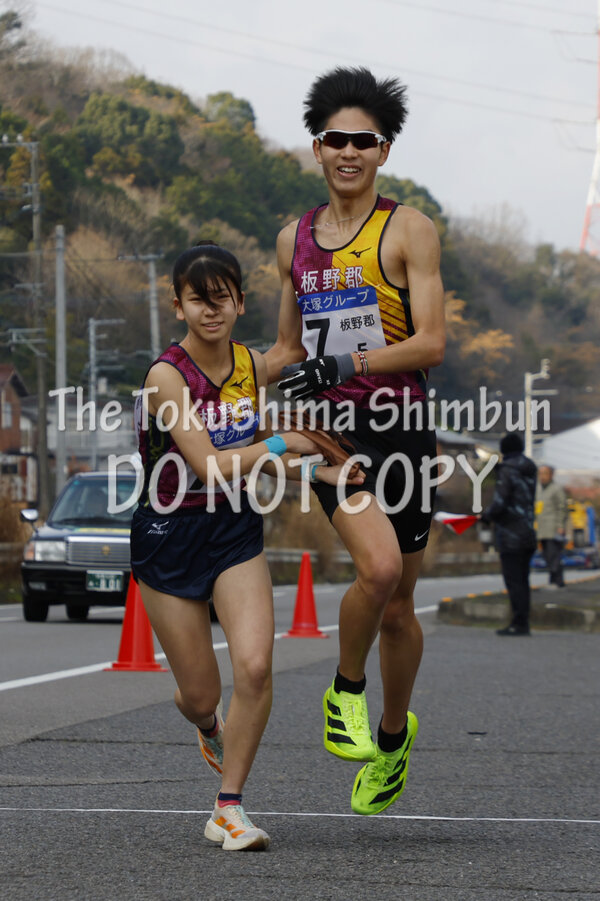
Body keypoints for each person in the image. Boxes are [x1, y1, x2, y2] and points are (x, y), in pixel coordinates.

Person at [130, 242, 363, 851]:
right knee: (201, 694)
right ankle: (206, 721)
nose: (211, 310)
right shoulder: (165, 377)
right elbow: (209, 465)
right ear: (177, 305)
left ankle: (228, 808)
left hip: (233, 530)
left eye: (223, 298)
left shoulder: (249, 365)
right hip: (168, 535)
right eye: (198, 299)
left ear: (239, 302)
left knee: (256, 667)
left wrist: (318, 472)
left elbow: (253, 442)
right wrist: (287, 444)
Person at [264, 67, 445, 816]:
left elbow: (431, 343)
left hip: (403, 430)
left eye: (362, 142)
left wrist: (346, 362)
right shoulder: (293, 241)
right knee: (377, 569)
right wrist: (206, 372)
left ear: (383, 151)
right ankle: (345, 692)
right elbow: (285, 351)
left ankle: (394, 737)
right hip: (330, 433)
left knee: (399, 607)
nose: (348, 152)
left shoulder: (409, 229)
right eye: (335, 139)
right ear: (316, 148)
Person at [480, 434, 537, 636]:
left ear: (504, 450)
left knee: (514, 581)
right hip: (528, 532)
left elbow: (500, 502)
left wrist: (486, 516)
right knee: (523, 580)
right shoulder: (530, 469)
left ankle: (518, 624)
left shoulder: (507, 470)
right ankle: (523, 622)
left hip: (511, 534)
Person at [536, 464, 568, 588]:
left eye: (545, 473)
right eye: (540, 473)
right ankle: (552, 580)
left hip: (553, 528)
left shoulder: (556, 489)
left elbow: (562, 508)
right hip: (541, 529)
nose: (542, 476)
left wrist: (560, 526)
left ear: (551, 475)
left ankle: (557, 581)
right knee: (547, 555)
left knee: (553, 555)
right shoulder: (538, 489)